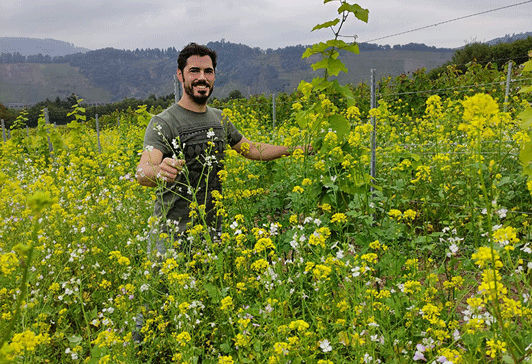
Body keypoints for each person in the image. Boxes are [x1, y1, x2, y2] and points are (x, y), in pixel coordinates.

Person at [136, 42, 308, 255]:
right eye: (194, 71)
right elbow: (143, 172)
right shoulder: (164, 122)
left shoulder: (220, 119)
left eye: (208, 71)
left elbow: (252, 149)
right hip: (171, 236)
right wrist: (159, 171)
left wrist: (297, 149)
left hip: (212, 231)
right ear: (180, 76)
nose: (202, 77)